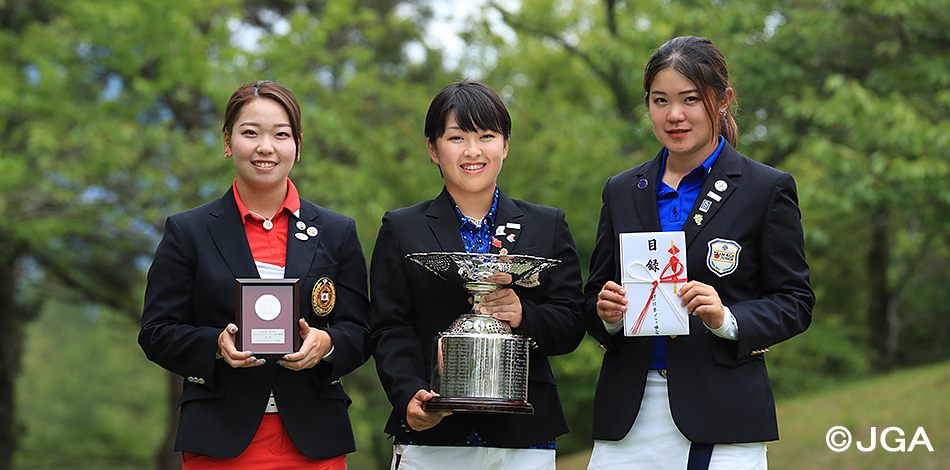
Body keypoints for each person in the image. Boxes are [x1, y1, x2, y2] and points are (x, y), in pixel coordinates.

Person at [584, 36, 815, 470]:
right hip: (627, 417)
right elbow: (593, 295)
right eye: (660, 100)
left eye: (691, 99)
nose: (674, 115)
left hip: (724, 414)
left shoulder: (765, 188)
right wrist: (607, 315)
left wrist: (726, 318)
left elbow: (795, 302)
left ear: (723, 100)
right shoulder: (621, 190)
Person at [139, 80, 370, 469]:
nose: (266, 147)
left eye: (281, 135)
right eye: (250, 133)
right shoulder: (189, 231)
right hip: (219, 440)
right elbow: (156, 332)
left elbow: (362, 331)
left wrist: (326, 342)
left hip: (313, 440)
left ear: (297, 146)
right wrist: (215, 344)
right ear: (228, 143)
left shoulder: (337, 231)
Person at [370, 80, 585, 469]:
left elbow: (571, 322)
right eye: (456, 137)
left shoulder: (547, 225)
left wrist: (523, 315)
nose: (472, 151)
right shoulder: (402, 229)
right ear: (433, 149)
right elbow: (389, 328)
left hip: (524, 439)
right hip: (432, 436)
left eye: (486, 136)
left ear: (505, 146)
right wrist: (410, 394)